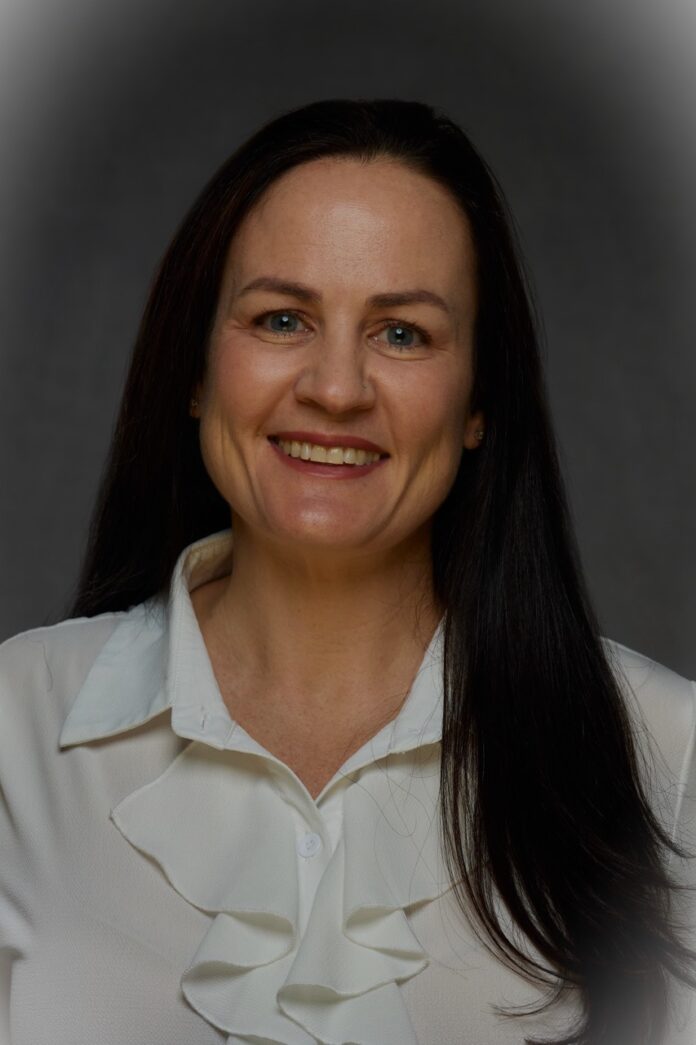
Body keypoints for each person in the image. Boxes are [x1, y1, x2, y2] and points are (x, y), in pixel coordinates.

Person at [0, 98, 694, 1045]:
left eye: (402, 333)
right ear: (197, 371)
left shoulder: (672, 758)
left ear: (480, 400)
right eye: (281, 318)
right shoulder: (13, 730)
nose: (335, 387)